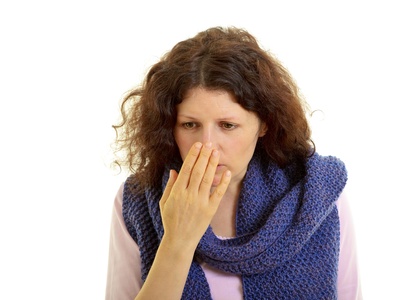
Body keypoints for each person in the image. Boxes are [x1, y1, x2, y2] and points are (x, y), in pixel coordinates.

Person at [105, 26, 362, 300]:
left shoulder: (316, 194)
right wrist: (177, 241)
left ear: (264, 124)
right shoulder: (137, 200)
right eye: (190, 124)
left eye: (227, 125)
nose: (206, 145)